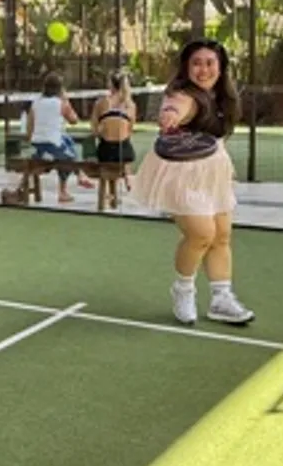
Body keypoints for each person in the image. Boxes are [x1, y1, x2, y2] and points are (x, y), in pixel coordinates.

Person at [131, 39, 254, 326]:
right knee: (201, 234)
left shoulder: (223, 97)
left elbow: (216, 138)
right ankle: (183, 290)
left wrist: (225, 170)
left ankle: (221, 299)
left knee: (221, 235)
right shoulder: (182, 94)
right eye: (196, 63)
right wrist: (169, 116)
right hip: (181, 173)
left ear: (221, 67)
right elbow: (174, 108)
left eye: (210, 63)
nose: (203, 69)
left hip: (213, 170)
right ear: (186, 67)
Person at [27, 72, 81, 203]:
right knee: (70, 159)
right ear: (60, 88)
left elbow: (30, 125)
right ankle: (63, 191)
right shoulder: (61, 103)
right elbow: (74, 120)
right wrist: (66, 100)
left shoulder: (36, 102)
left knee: (67, 141)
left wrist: (31, 139)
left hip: (38, 142)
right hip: (52, 143)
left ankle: (42, 160)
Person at [90, 72, 137, 195]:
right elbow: (130, 130)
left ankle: (110, 192)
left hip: (106, 150)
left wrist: (103, 130)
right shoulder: (130, 105)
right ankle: (128, 177)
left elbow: (94, 130)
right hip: (124, 151)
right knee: (124, 145)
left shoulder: (101, 103)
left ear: (110, 84)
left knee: (107, 148)